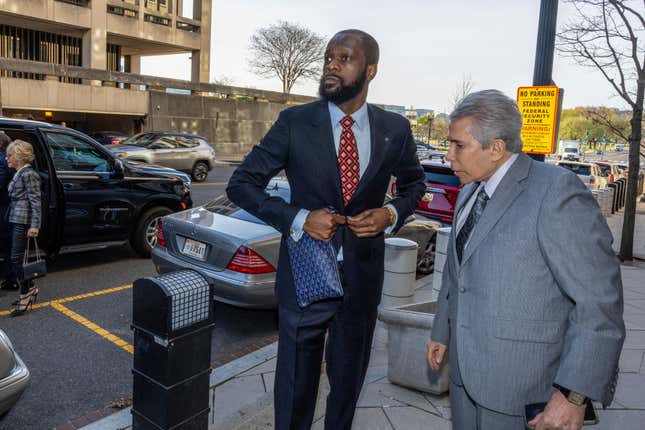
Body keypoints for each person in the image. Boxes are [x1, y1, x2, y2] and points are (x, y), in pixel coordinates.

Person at [227, 29, 425, 429]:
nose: (332, 65)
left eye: (345, 58)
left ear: (370, 70)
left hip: (362, 277)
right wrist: (299, 218)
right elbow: (241, 184)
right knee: (296, 385)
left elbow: (414, 185)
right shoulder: (296, 122)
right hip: (304, 275)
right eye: (328, 57)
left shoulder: (394, 128)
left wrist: (389, 214)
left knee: (348, 382)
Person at [426, 90, 625, 430]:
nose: (448, 156)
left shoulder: (557, 192)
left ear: (496, 148)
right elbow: (456, 274)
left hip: (520, 387)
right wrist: (442, 329)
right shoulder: (470, 192)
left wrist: (573, 395)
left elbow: (598, 302)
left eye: (458, 145)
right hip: (463, 377)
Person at [5, 139, 42, 317]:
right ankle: (30, 289)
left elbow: (36, 201)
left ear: (19, 156)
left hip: (23, 221)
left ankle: (26, 293)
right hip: (16, 218)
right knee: (16, 258)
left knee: (16, 259)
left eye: (10, 155)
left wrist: (35, 225)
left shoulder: (28, 174)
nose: (7, 158)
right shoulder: (19, 172)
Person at [0, 132, 15, 289]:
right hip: (6, 207)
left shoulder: (1, 159)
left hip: (3, 207)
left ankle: (10, 278)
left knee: (6, 243)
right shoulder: (6, 159)